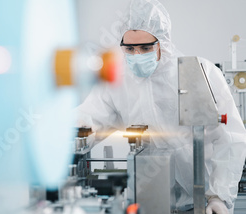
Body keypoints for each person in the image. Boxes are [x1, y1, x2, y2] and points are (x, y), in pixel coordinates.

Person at [75, 0, 246, 213]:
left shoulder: (200, 72)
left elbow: (230, 139)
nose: (137, 55)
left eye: (146, 47)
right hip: (149, 199)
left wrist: (219, 197)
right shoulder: (117, 81)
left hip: (204, 201)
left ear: (162, 42)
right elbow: (89, 120)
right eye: (129, 48)